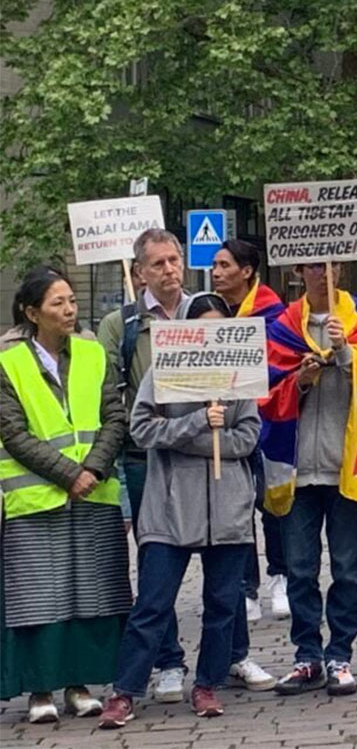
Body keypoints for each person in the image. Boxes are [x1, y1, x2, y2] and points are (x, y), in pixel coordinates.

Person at [99, 294, 263, 727]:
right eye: (203, 328)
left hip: (227, 507)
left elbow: (247, 438)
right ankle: (125, 690)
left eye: (219, 328)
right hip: (169, 508)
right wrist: (194, 426)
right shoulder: (164, 370)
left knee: (222, 604)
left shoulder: (239, 374)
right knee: (152, 603)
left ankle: (208, 683)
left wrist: (210, 442)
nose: (210, 337)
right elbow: (143, 428)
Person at [0, 266, 129, 723]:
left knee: (92, 592)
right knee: (38, 596)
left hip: (93, 495)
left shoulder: (94, 354)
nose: (70, 310)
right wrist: (67, 475)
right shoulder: (8, 362)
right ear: (32, 312)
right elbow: (13, 431)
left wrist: (92, 468)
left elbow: (115, 416)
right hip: (36, 501)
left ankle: (81, 684)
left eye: (72, 300)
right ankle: (39, 691)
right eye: (58, 303)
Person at [260, 263, 357, 696]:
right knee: (299, 569)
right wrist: (300, 381)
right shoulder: (281, 327)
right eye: (314, 266)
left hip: (346, 466)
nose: (323, 273)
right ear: (299, 270)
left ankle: (341, 655)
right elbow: (265, 394)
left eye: (331, 265)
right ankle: (306, 656)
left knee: (348, 569)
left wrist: (348, 353)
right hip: (297, 470)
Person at [96, 228, 191, 702]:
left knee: (224, 562)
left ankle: (229, 656)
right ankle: (168, 659)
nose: (169, 270)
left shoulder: (205, 313)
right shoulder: (122, 325)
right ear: (139, 273)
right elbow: (109, 394)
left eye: (174, 260)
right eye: (158, 264)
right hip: (146, 458)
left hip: (202, 458)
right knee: (157, 562)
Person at [212, 238, 289, 629]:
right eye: (215, 265)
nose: (217, 272)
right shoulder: (209, 314)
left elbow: (280, 365)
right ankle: (246, 587)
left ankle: (281, 575)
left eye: (225, 265)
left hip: (270, 420)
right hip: (225, 424)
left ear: (247, 271)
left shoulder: (273, 314)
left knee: (273, 503)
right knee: (238, 507)